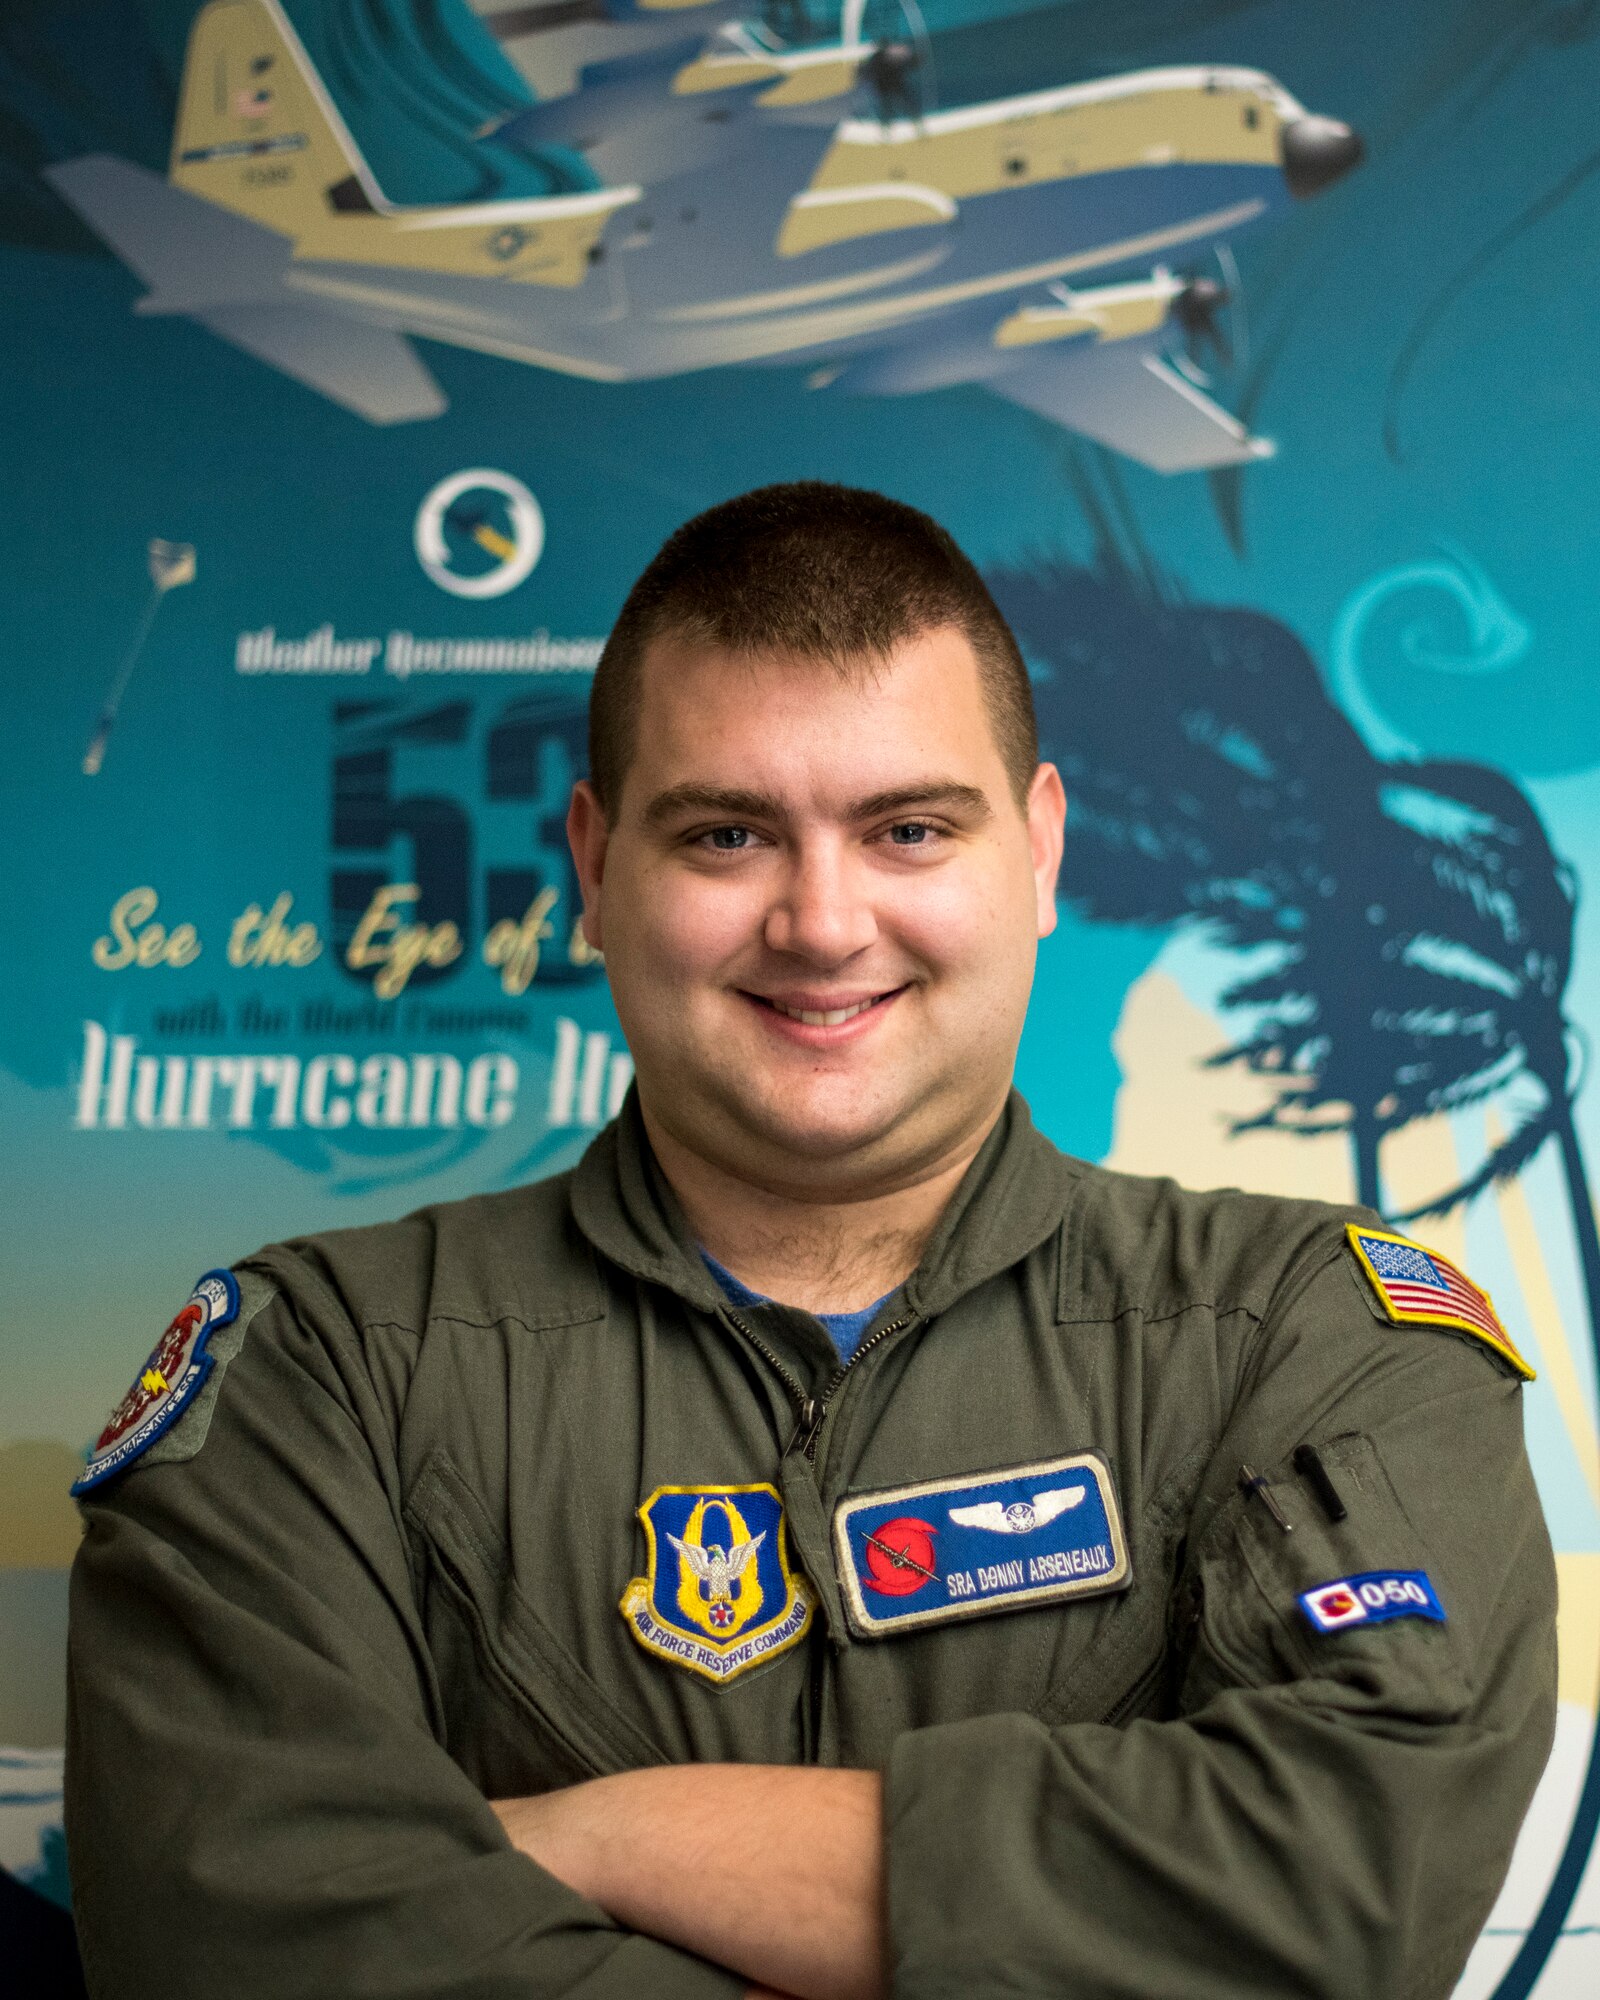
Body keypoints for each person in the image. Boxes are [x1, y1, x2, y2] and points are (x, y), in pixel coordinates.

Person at [66, 484, 1555, 2000]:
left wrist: (616, 1838)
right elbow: (240, 1939)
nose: (823, 922)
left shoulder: (1313, 1336)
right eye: (727, 835)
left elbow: (1345, 1892)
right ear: (594, 865)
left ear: (1040, 856)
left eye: (909, 828)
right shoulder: (323, 1372)